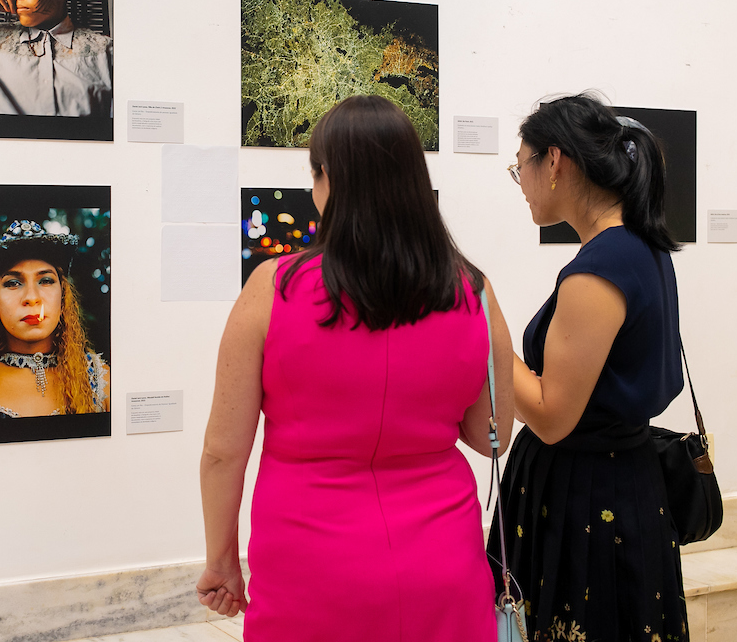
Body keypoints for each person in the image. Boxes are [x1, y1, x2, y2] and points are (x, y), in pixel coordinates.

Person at [197, 95, 515, 640]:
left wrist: (221, 558)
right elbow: (491, 438)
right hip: (441, 559)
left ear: (326, 181)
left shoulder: (272, 289)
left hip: (308, 561)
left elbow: (225, 451)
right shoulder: (473, 291)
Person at [489, 93, 688, 640]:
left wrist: (489, 336)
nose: (521, 184)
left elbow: (553, 416)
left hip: (587, 495)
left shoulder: (598, 269)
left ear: (554, 162)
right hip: (619, 480)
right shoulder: (640, 248)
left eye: (520, 167)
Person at [0, 220, 109, 420]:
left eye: (46, 280)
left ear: (63, 298)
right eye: (13, 283)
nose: (32, 297)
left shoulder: (100, 382)